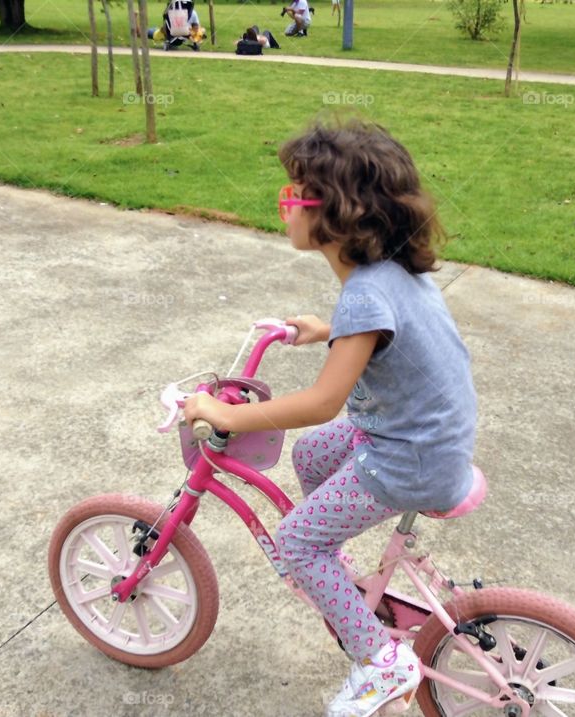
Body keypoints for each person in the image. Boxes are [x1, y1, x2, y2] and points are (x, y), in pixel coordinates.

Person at [184, 118, 478, 717]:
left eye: (295, 195)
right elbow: (385, 338)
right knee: (312, 454)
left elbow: (322, 402)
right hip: (422, 438)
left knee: (293, 543)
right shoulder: (390, 274)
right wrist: (328, 330)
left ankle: (380, 663)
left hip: (408, 457)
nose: (284, 205)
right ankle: (337, 570)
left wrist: (226, 415)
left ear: (338, 215)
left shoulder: (366, 295)